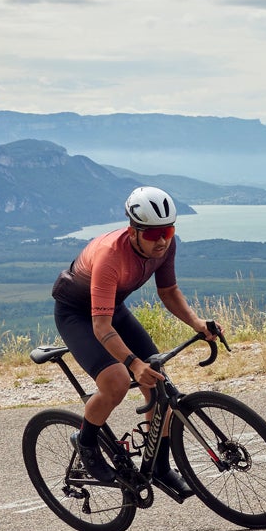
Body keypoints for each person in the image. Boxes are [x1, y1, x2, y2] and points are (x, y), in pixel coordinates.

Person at [52, 186, 219, 490]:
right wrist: (133, 363)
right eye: (154, 234)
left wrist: (197, 323)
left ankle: (160, 467)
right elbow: (101, 328)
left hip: (112, 309)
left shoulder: (167, 245)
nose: (163, 240)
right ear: (133, 231)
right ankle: (86, 441)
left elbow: (168, 292)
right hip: (77, 315)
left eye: (168, 231)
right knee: (115, 382)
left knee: (159, 385)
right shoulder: (109, 256)